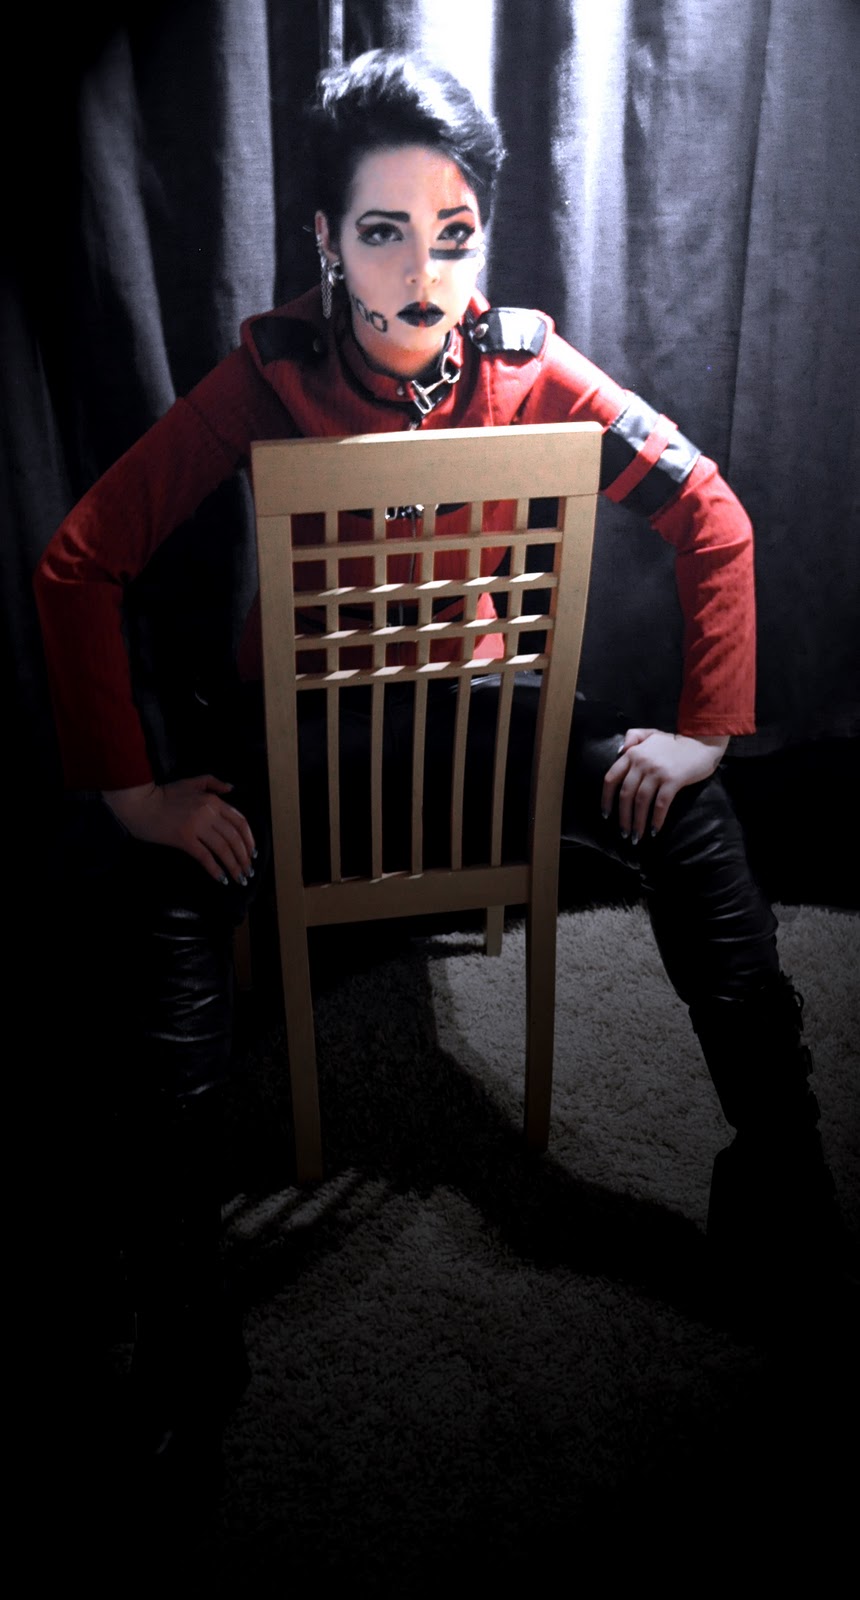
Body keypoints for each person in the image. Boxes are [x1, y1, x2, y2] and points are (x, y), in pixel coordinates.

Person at [33, 49, 846, 1461]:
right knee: (165, 896)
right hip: (302, 741)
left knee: (691, 823)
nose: (424, 273)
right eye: (384, 232)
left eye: (454, 233)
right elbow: (79, 561)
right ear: (325, 241)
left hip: (487, 722)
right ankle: (179, 1298)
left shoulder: (526, 364)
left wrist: (707, 732)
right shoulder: (265, 376)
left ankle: (783, 1184)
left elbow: (711, 513)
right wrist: (134, 794)